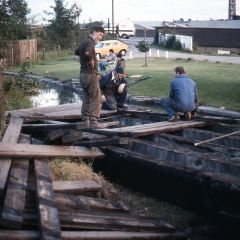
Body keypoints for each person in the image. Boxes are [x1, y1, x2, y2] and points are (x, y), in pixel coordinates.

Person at [75, 26, 107, 129]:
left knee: (87, 97)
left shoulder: (84, 41)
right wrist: (89, 61)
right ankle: (94, 122)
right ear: (94, 32)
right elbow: (88, 54)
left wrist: (84, 60)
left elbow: (77, 52)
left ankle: (85, 121)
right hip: (90, 74)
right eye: (100, 35)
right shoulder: (90, 42)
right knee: (96, 98)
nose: (101, 37)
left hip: (83, 74)